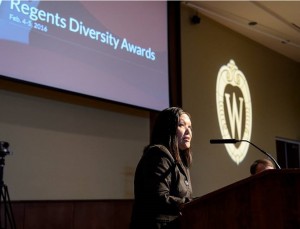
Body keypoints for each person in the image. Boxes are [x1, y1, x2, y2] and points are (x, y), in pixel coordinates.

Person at [130, 107, 193, 229]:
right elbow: (159, 197)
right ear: (168, 128)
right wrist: (189, 204)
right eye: (182, 125)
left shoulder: (180, 160)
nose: (188, 131)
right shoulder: (158, 155)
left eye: (190, 127)